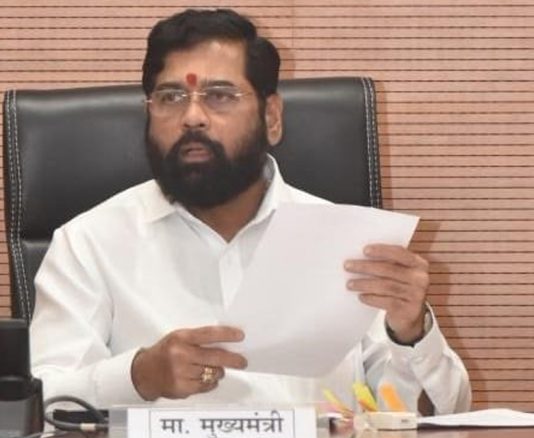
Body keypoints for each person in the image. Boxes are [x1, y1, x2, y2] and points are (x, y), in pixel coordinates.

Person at [30, 8, 471, 414]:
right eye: (170, 97)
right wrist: (137, 377)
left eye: (220, 95)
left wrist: (410, 331)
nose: (192, 116)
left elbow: (435, 416)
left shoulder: (350, 244)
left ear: (272, 117)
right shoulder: (89, 243)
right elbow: (38, 405)